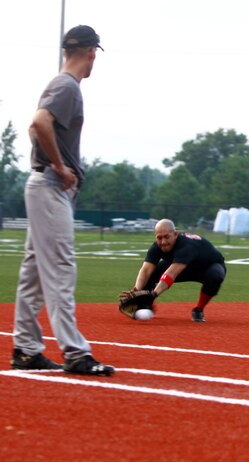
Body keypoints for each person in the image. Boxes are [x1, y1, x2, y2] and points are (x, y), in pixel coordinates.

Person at [11, 25, 114, 376]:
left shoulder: (60, 85)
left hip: (44, 184)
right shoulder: (68, 86)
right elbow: (39, 121)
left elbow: (35, 128)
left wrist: (48, 159)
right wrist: (58, 164)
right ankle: (75, 352)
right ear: (92, 53)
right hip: (51, 186)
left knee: (34, 276)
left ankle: (25, 349)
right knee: (60, 269)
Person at [131, 219, 227, 322]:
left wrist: (154, 294)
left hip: (207, 266)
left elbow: (171, 274)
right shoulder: (156, 247)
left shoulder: (186, 246)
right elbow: (146, 270)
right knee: (151, 274)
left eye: (167, 237)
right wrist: (136, 291)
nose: (163, 242)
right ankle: (144, 306)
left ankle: (198, 309)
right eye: (159, 238)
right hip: (183, 266)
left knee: (215, 276)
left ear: (175, 234)